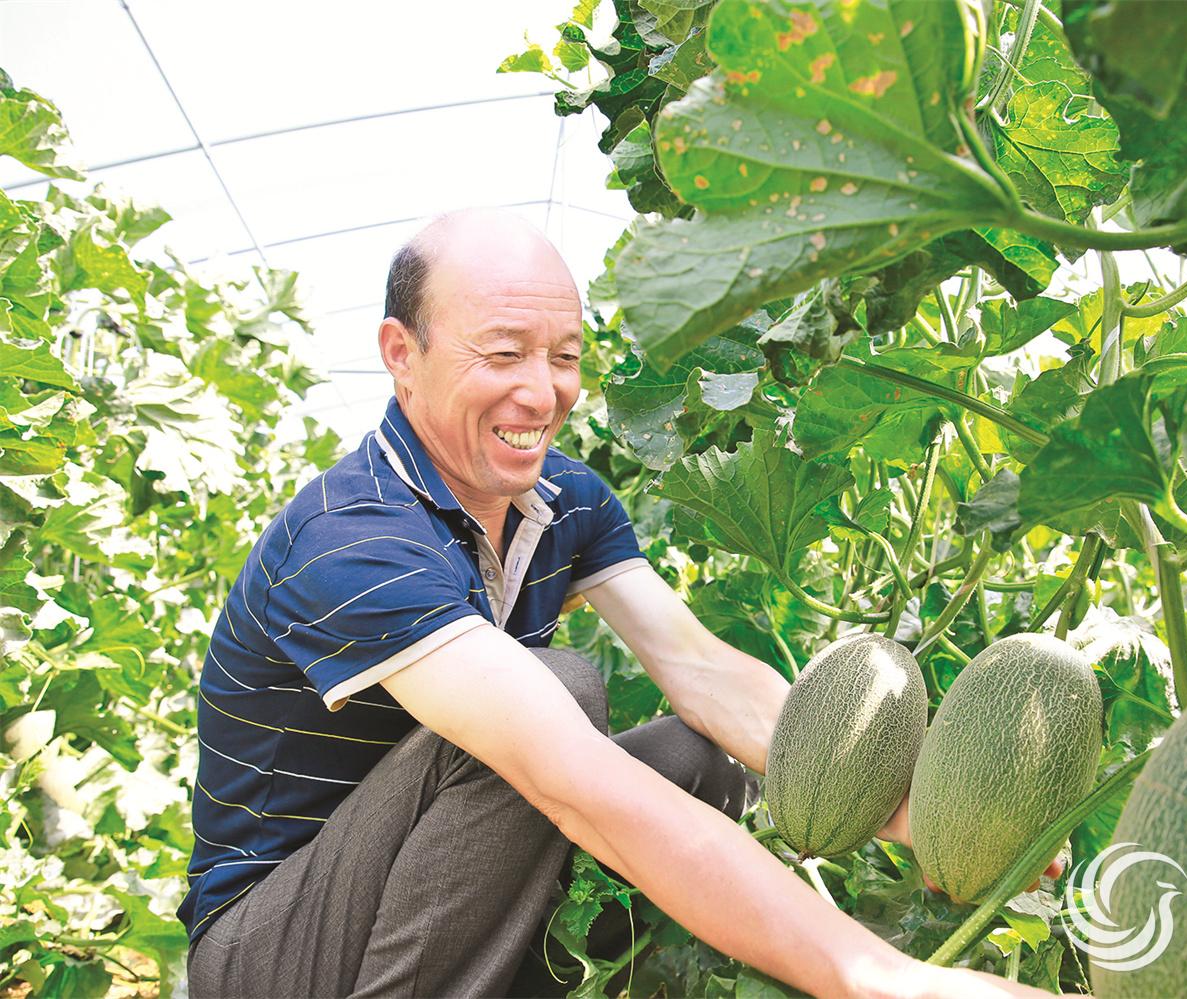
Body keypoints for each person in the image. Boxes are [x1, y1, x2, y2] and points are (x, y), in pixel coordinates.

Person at [178, 208, 1058, 998]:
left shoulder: (566, 498)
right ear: (401, 353)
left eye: (564, 357)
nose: (542, 392)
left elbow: (705, 674)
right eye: (503, 353)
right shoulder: (352, 537)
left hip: (428, 896)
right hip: (272, 950)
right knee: (559, 691)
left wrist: (924, 818)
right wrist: (880, 976)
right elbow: (574, 782)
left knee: (699, 757)